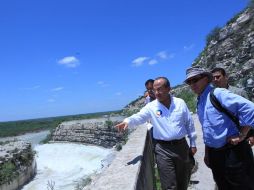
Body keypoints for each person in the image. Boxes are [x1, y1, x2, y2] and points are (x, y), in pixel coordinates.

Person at [116, 77, 197, 190]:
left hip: (181, 147)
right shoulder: (151, 106)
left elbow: (189, 123)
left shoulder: (180, 103)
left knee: (183, 181)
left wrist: (193, 143)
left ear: (169, 88)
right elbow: (140, 116)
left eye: (159, 89)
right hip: (163, 149)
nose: (156, 93)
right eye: (154, 90)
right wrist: (127, 121)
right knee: (169, 185)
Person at [185, 66, 254, 190]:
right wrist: (207, 154)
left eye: (195, 80)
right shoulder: (200, 100)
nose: (192, 84)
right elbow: (208, 129)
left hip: (233, 153)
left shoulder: (218, 93)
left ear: (206, 78)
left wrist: (242, 134)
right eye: (189, 82)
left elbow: (251, 109)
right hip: (216, 155)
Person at [211, 67, 254, 146]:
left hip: (240, 136)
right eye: (213, 78)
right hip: (223, 140)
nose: (215, 79)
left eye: (218, 77)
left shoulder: (239, 92)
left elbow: (250, 113)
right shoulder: (211, 97)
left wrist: (251, 135)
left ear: (226, 77)